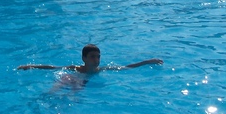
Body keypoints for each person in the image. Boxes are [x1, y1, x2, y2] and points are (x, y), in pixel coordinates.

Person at [17, 43, 163, 74]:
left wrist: (148, 61)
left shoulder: (101, 70)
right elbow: (52, 67)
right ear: (84, 58)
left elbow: (127, 67)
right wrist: (30, 66)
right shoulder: (74, 68)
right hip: (72, 79)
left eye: (98, 57)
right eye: (93, 57)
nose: (96, 60)